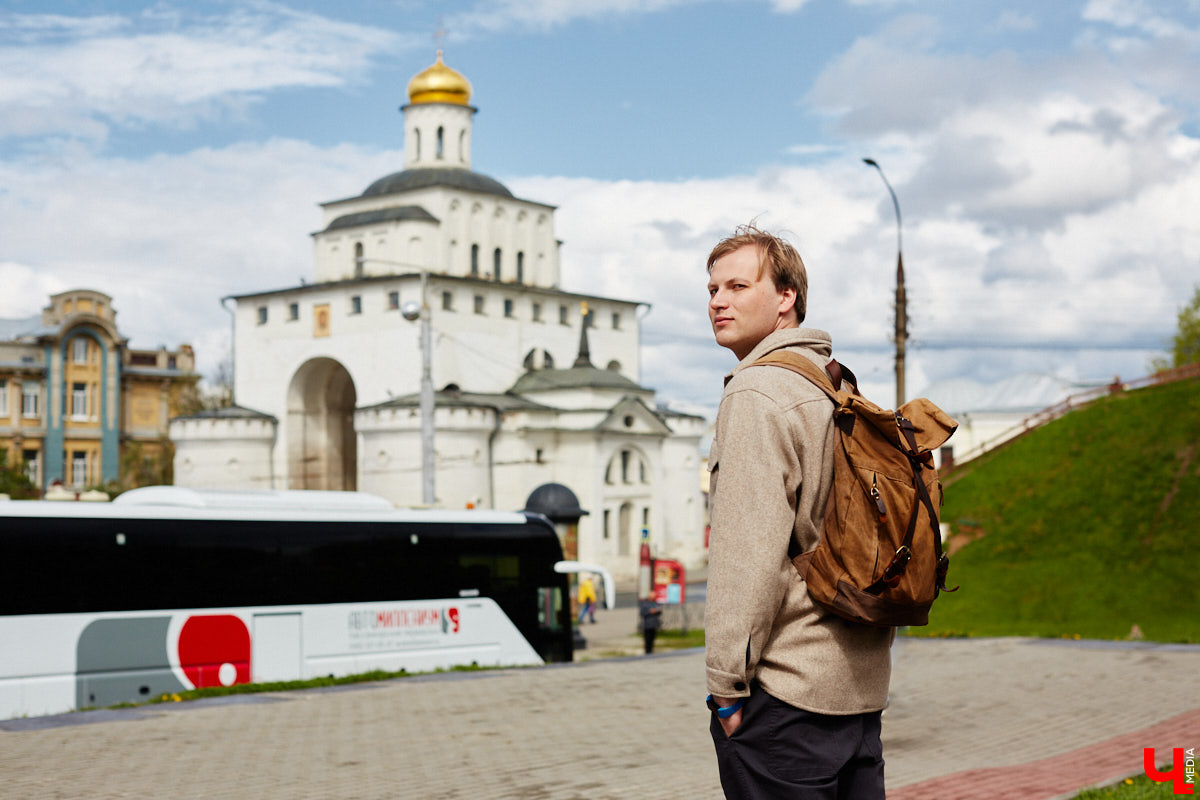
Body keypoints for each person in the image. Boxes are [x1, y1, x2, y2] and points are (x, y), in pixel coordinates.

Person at [704, 224, 895, 799]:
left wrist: (726, 688)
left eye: (738, 285)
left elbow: (748, 556)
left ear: (786, 297)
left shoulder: (757, 393)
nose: (718, 301)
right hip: (859, 694)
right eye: (712, 289)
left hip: (784, 698)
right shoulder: (834, 388)